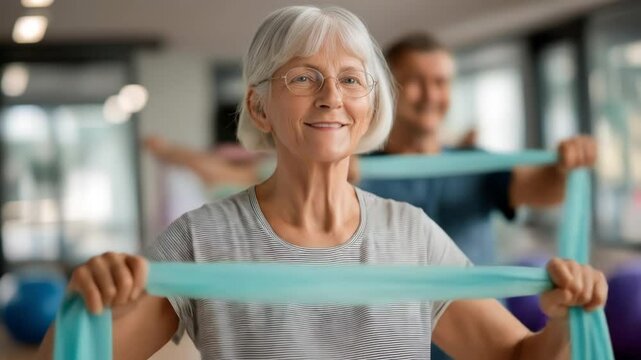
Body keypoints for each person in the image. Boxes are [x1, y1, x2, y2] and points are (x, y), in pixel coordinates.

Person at [37, 6, 607, 360]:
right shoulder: (200, 240)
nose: (331, 95)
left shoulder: (412, 235)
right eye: (304, 77)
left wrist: (563, 320)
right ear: (259, 107)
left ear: (369, 106)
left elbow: (516, 359)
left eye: (351, 79)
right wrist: (88, 299)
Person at [356, 33, 597, 265]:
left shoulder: (475, 164)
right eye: (415, 82)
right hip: (399, 307)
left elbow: (541, 188)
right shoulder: (354, 172)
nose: (430, 95)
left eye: (440, 82)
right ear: (386, 88)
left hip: (483, 306)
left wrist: (566, 166)